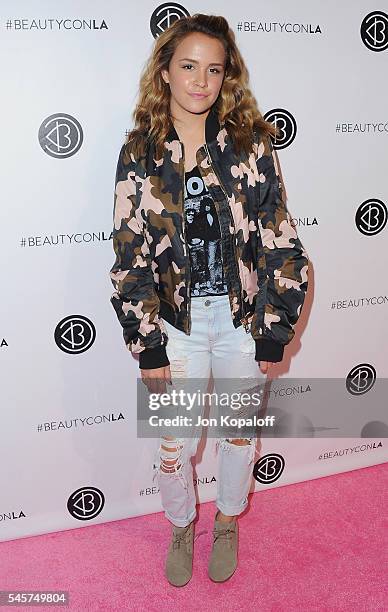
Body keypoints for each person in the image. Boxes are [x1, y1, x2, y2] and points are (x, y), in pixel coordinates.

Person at [109, 14, 309, 587]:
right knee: (174, 443)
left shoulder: (249, 144)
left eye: (214, 69)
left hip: (243, 320)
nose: (201, 80)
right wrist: (147, 345)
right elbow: (129, 251)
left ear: (228, 77)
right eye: (189, 66)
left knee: (239, 432)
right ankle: (180, 523)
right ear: (165, 72)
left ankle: (226, 518)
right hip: (176, 323)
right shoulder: (139, 151)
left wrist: (275, 327)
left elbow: (280, 236)